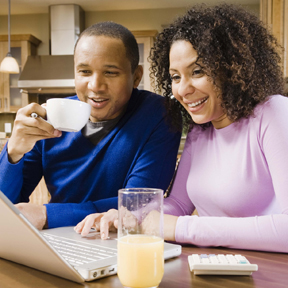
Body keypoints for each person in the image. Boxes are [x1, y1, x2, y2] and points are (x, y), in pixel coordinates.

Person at [75, 4, 288, 253]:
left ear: (232, 68)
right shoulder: (202, 131)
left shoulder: (274, 113)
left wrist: (180, 228)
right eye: (175, 77)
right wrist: (128, 217)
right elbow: (177, 204)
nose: (183, 90)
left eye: (197, 72)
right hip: (213, 267)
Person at [0, 22, 181, 230]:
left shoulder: (159, 114)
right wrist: (13, 152)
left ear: (136, 77)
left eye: (111, 72)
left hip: (120, 241)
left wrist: (47, 215)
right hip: (57, 239)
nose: (95, 85)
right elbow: (5, 207)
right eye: (85, 71)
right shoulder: (52, 115)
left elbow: (138, 204)